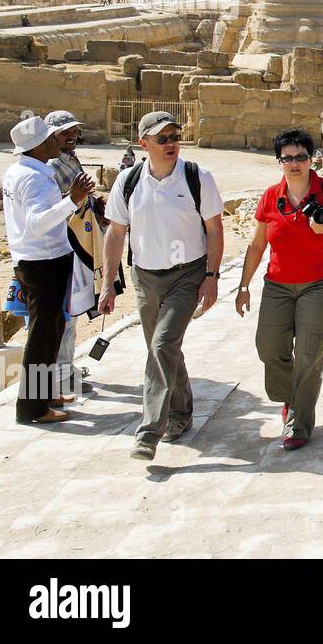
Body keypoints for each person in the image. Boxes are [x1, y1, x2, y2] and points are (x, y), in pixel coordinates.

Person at [100, 111, 224, 461]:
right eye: (162, 138)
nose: (171, 144)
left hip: (187, 274)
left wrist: (212, 277)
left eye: (174, 136)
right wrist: (108, 283)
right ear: (144, 144)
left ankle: (149, 431)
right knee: (164, 348)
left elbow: (214, 229)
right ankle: (182, 414)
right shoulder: (128, 181)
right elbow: (115, 232)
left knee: (162, 343)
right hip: (146, 278)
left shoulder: (197, 177)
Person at [235, 129, 323, 450]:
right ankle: (289, 396)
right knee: (268, 347)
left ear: (312, 158)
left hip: (321, 283)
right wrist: (243, 285)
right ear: (279, 161)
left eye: (301, 157)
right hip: (277, 284)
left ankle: (299, 422)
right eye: (287, 158)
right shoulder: (270, 196)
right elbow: (256, 245)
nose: (294, 164)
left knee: (309, 353)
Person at [3, 116, 96, 424]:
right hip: (41, 262)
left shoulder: (24, 171)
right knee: (42, 334)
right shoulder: (33, 178)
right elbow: (37, 222)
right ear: (40, 145)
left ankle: (44, 394)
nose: (59, 141)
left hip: (42, 259)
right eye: (52, 139)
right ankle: (32, 408)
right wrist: (73, 200)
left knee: (53, 326)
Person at [46, 110, 102, 397]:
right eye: (65, 132)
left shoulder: (70, 159)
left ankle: (64, 370)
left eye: (74, 131)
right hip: (64, 246)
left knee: (73, 310)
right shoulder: (53, 165)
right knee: (65, 315)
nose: (71, 135)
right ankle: (59, 377)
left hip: (79, 243)